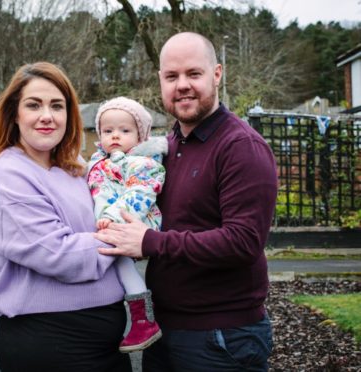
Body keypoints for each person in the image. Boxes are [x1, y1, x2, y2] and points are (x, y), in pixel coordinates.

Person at [95, 32, 278, 371]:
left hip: (221, 336)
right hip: (166, 330)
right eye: (171, 76)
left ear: (217, 74)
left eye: (194, 74)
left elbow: (243, 242)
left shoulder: (240, 147)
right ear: (160, 81)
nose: (182, 85)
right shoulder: (167, 147)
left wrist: (151, 242)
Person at [0, 62, 132, 372]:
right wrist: (122, 238)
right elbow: (58, 254)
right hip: (49, 343)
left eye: (57, 106)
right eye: (34, 105)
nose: (47, 115)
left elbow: (117, 206)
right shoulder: (9, 174)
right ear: (14, 114)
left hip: (106, 346)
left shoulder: (75, 166)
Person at [87, 96, 167, 353]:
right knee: (117, 267)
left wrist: (112, 217)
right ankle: (139, 322)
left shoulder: (144, 163)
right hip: (109, 224)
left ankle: (144, 321)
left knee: (121, 264)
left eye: (124, 130)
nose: (115, 136)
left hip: (136, 222)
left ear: (140, 135)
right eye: (108, 131)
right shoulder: (99, 162)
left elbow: (139, 195)